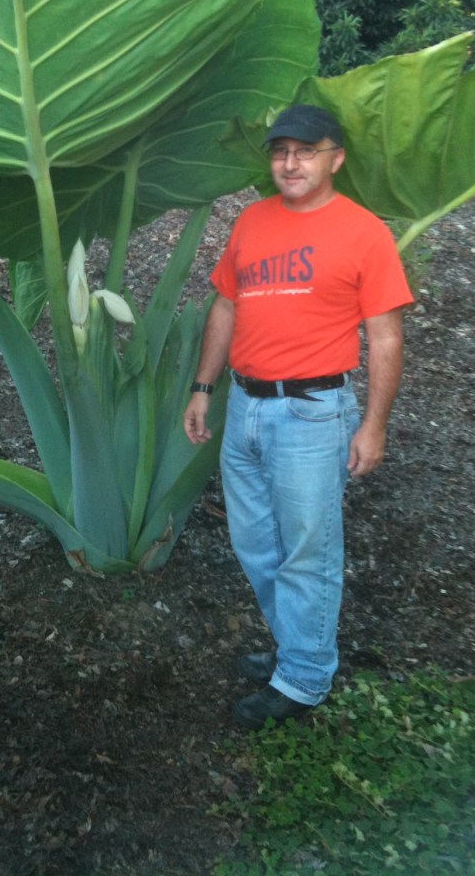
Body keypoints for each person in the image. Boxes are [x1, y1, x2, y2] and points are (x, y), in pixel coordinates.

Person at [183, 104, 413, 730]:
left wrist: (374, 424)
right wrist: (203, 386)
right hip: (246, 407)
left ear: (335, 158)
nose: (290, 162)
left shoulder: (364, 232)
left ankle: (304, 680)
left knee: (308, 550)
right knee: (256, 543)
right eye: (281, 151)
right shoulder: (252, 223)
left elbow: (385, 337)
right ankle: (297, 648)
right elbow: (226, 309)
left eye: (305, 151)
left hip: (313, 414)